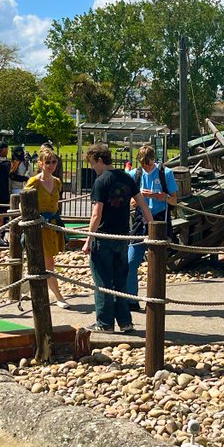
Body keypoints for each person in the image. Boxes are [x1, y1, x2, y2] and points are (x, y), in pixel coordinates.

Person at [81, 142, 153, 333]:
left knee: (102, 281)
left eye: (91, 163)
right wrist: (153, 226)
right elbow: (142, 205)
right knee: (120, 279)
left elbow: (97, 214)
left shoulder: (100, 181)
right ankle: (125, 322)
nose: (91, 167)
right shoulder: (126, 178)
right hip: (122, 237)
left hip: (103, 236)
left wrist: (88, 239)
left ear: (99, 160)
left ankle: (104, 323)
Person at [125, 143, 177, 308]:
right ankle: (131, 300)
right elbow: (130, 203)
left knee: (157, 264)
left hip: (159, 221)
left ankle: (156, 301)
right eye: (143, 164)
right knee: (130, 262)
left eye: (148, 163)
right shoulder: (135, 174)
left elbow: (174, 200)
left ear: (153, 159)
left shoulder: (165, 173)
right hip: (141, 221)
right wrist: (136, 200)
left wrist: (161, 196)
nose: (146, 167)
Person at [24, 147, 69, 308]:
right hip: (38, 228)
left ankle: (43, 293)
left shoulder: (57, 182)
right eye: (48, 162)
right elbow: (25, 205)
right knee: (48, 263)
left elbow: (55, 205)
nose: (51, 165)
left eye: (54, 162)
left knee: (47, 262)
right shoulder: (34, 182)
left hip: (52, 226)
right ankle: (58, 297)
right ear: (40, 163)